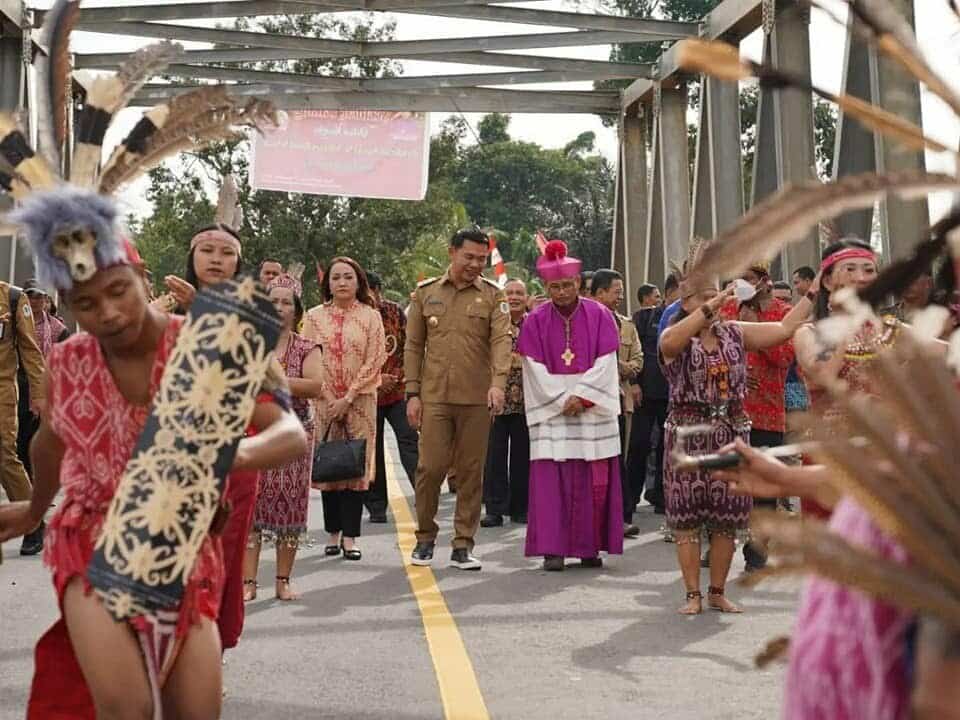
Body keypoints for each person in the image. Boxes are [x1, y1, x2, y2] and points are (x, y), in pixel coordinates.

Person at [0, 192, 307, 717]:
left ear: (144, 280)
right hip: (92, 539)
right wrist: (33, 509)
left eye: (118, 291)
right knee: (128, 708)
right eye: (85, 304)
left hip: (183, 543)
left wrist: (230, 454)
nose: (109, 313)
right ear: (67, 306)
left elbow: (289, 432)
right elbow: (49, 440)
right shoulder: (70, 359)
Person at [659, 239, 817, 614]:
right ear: (686, 303)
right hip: (688, 433)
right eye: (704, 298)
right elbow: (669, 343)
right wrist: (703, 311)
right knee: (687, 518)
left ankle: (716, 591)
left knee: (727, 516)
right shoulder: (675, 334)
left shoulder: (733, 331)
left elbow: (782, 329)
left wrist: (815, 291)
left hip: (730, 432)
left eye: (716, 296)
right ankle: (692, 595)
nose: (714, 304)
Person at [404, 228, 512, 571]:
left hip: (477, 399)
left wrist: (497, 383)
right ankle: (424, 538)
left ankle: (463, 543)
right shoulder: (425, 294)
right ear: (452, 252)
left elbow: (501, 341)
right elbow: (413, 346)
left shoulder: (494, 296)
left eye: (482, 259)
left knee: (470, 473)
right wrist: (412, 393)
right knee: (430, 468)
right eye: (469, 257)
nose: (475, 264)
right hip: (434, 397)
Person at [517, 241, 623, 571]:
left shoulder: (600, 314)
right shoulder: (534, 320)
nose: (561, 292)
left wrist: (584, 397)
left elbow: (607, 361)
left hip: (591, 408)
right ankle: (553, 549)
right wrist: (563, 400)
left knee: (594, 479)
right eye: (554, 287)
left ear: (578, 283)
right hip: (554, 411)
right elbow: (531, 366)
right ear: (546, 287)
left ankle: (590, 547)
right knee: (552, 479)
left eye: (566, 285)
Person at [245, 273, 323, 601]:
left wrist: (272, 378)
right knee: (252, 507)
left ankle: (282, 579)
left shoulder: (307, 346)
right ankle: (248, 583)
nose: (279, 307)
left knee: (290, 507)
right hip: (252, 431)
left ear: (296, 309)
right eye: (273, 301)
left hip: (295, 433)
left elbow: (315, 386)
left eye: (286, 302)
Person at [303, 257, 386, 562]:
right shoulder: (313, 317)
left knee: (353, 467)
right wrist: (327, 394)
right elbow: (308, 356)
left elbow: (376, 357)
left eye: (348, 277)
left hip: (360, 400)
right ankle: (332, 533)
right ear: (328, 283)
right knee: (330, 466)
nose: (341, 282)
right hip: (324, 401)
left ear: (358, 282)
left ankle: (350, 537)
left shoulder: (370, 316)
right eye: (336, 277)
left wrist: (349, 396)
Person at [720, 262, 795, 572]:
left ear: (764, 281)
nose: (740, 285)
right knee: (727, 484)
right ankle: (719, 546)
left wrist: (756, 326)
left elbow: (785, 358)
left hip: (768, 410)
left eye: (747, 279)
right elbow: (711, 351)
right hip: (728, 411)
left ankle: (757, 554)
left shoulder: (784, 312)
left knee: (763, 489)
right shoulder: (726, 308)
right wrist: (734, 373)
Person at [591, 269, 643, 539]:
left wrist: (620, 367)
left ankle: (621, 517)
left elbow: (638, 360)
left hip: (619, 401)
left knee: (618, 461)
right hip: (590, 403)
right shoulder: (582, 321)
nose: (620, 297)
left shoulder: (626, 324)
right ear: (598, 293)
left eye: (621, 292)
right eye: (616, 291)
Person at [364, 270, 419, 524]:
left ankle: (424, 493)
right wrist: (376, 381)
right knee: (371, 451)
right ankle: (376, 507)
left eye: (370, 291)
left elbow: (410, 347)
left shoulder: (395, 312)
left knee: (409, 440)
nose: (368, 297)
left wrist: (396, 376)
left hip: (397, 391)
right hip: (366, 395)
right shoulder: (356, 317)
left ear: (378, 291)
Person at [0, 274, 46, 559]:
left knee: (4, 455)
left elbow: (31, 350)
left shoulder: (14, 297)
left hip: (1, 389)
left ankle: (32, 521)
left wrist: (39, 394)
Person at [481, 278, 530, 527]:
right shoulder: (493, 322)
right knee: (494, 456)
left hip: (526, 401)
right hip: (495, 399)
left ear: (527, 297)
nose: (514, 297)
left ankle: (521, 508)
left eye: (519, 293)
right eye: (509, 293)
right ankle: (494, 508)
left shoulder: (535, 324)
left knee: (523, 456)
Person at [630, 283, 670, 515]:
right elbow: (634, 352)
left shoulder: (691, 317)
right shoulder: (644, 318)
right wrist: (634, 382)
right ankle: (630, 498)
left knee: (667, 448)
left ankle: (662, 497)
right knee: (639, 445)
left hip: (670, 395)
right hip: (644, 394)